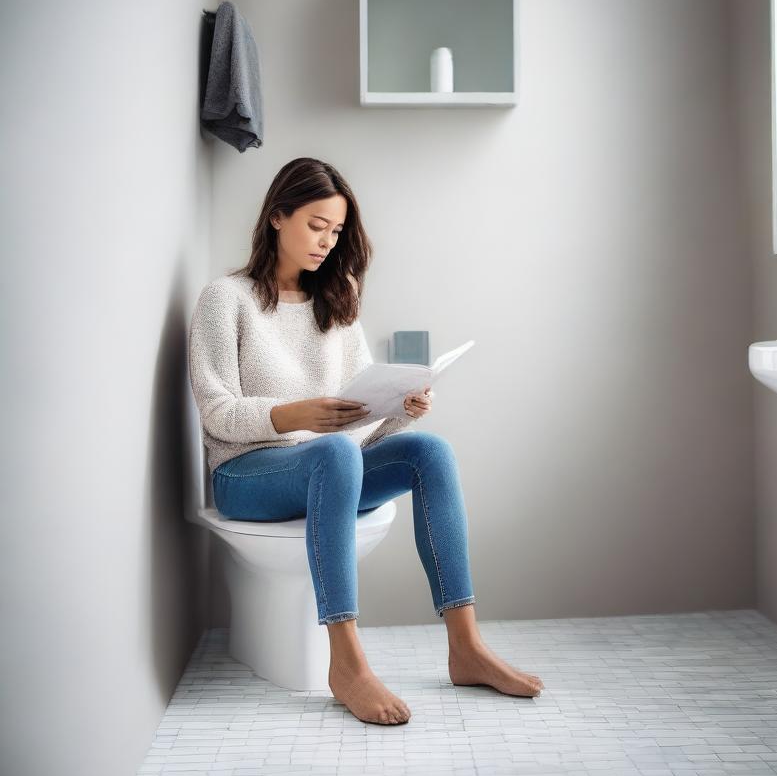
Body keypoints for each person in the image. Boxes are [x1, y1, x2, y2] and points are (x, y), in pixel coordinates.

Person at [188, 156, 543, 725]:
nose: (327, 242)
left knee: (431, 451)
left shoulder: (336, 304)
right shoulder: (223, 300)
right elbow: (218, 412)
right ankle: (347, 662)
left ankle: (466, 647)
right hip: (247, 474)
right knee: (332, 453)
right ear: (277, 217)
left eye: (336, 231)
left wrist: (399, 410)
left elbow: (355, 424)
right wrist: (291, 414)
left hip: (327, 463)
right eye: (315, 225)